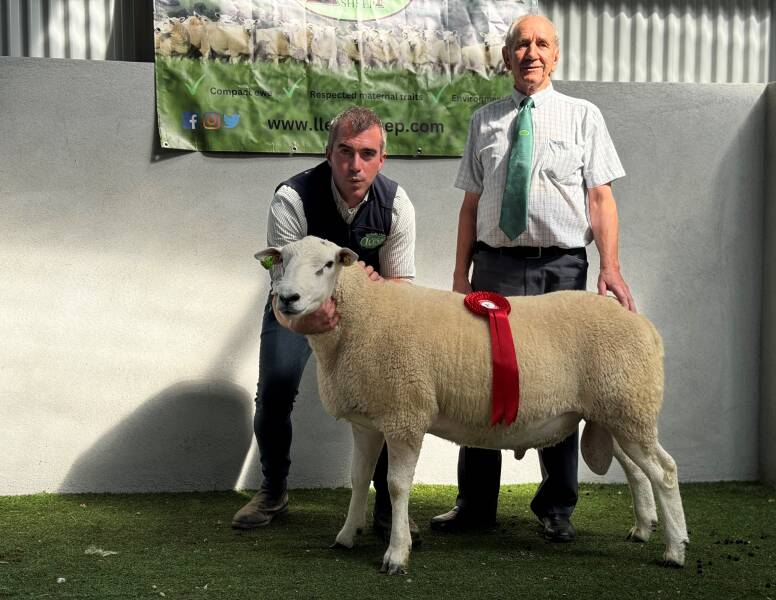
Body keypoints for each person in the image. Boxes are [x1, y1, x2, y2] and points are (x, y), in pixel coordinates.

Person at [430, 15, 636, 542]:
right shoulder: (485, 120)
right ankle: (475, 506)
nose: (531, 53)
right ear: (506, 57)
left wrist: (609, 267)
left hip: (560, 265)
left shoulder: (583, 116)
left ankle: (556, 508)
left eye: (542, 44)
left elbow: (601, 199)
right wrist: (460, 274)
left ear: (556, 54)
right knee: (479, 380)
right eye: (521, 44)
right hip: (494, 268)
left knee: (562, 383)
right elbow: (471, 206)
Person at [233, 106, 419, 544]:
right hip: (296, 307)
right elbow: (280, 283)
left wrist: (373, 291)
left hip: (367, 316)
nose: (356, 166)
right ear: (328, 152)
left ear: (382, 158)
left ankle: (388, 507)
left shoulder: (396, 205)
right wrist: (306, 318)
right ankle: (273, 491)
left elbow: (399, 287)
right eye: (345, 152)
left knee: (389, 400)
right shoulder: (291, 199)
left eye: (367, 154)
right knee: (276, 388)